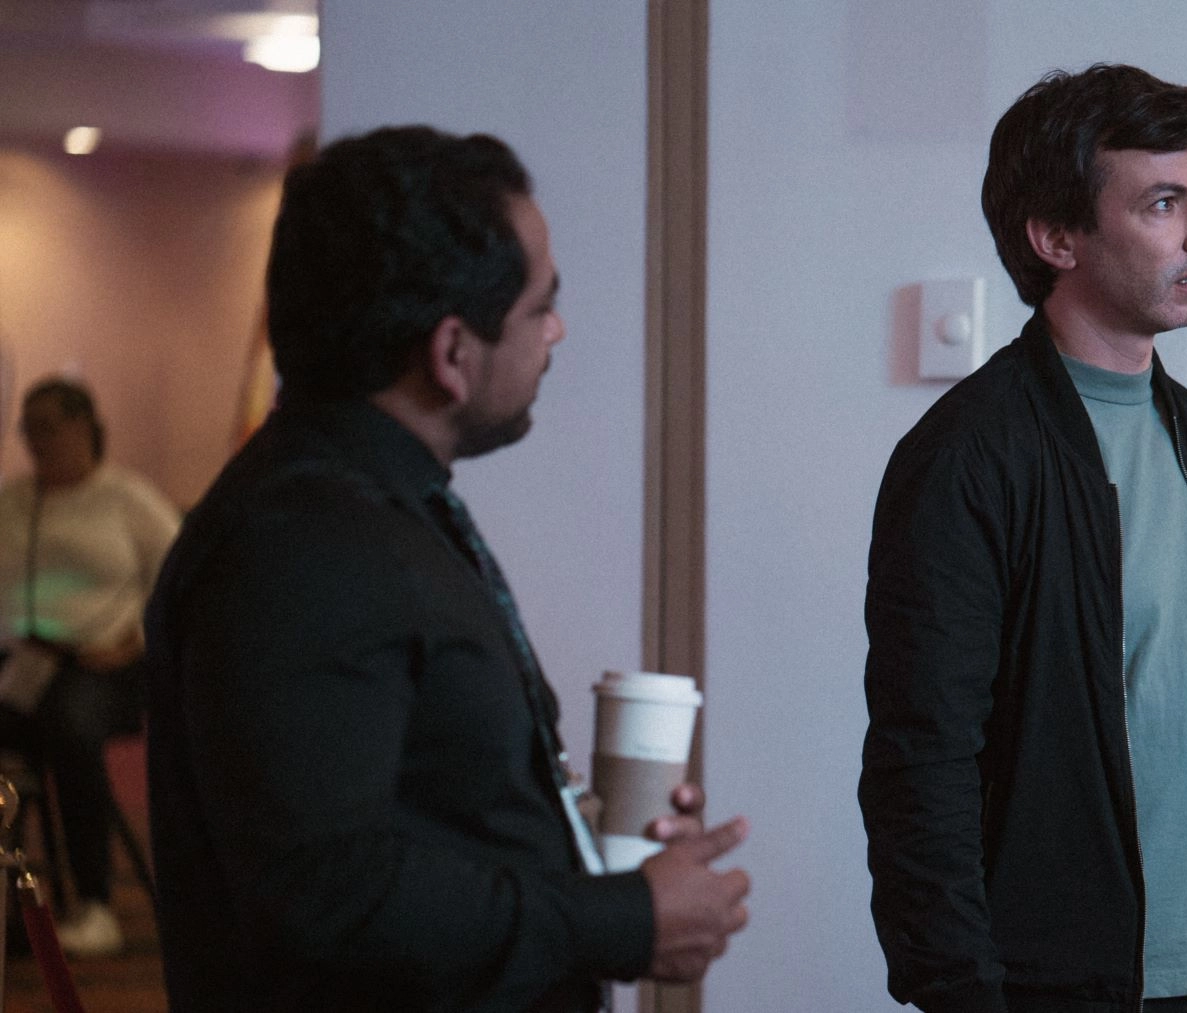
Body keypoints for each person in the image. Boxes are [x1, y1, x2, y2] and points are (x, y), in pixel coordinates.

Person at [144, 126, 749, 1012]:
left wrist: (599, 850)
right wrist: (617, 920)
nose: (557, 330)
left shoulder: (367, 508)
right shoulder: (303, 546)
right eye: (541, 307)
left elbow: (425, 816)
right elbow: (329, 892)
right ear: (453, 353)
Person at [859, 65, 1187, 1012]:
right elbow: (921, 762)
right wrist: (961, 990)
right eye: (1163, 204)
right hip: (1057, 983)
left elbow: (1135, 707)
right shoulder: (969, 455)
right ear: (1057, 238)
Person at [0, 377, 180, 956]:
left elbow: (181, 586)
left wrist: (134, 641)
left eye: (46, 426)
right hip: (21, 662)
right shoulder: (12, 502)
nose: (35, 440)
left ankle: (96, 903)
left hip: (104, 666)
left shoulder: (129, 500)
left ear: (82, 427)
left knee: (72, 728)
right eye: (27, 428)